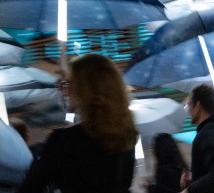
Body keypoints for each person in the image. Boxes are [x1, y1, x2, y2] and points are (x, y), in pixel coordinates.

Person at [18, 54, 137, 193]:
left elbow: (31, 187)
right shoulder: (127, 137)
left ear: (85, 90)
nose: (66, 91)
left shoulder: (62, 141)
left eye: (69, 83)